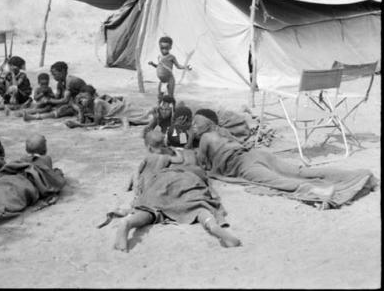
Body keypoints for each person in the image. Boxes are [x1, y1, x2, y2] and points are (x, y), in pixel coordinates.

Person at [192, 110, 378, 209]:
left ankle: (319, 191)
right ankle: (357, 176)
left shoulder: (205, 138)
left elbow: (202, 164)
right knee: (300, 171)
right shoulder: (222, 131)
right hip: (257, 153)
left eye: (195, 124)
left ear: (205, 125)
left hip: (242, 165)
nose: (193, 127)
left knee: (277, 181)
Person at [110, 130, 241, 252]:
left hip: (163, 182)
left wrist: (136, 193)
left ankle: (129, 222)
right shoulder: (190, 154)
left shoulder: (155, 157)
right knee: (199, 206)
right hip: (189, 180)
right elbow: (203, 173)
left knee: (149, 209)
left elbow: (139, 178)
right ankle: (212, 225)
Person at [64, 85, 151, 129]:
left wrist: (77, 125)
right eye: (81, 98)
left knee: (144, 116)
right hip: (117, 111)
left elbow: (96, 123)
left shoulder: (97, 103)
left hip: (121, 111)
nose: (83, 100)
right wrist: (80, 109)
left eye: (85, 97)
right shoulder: (86, 105)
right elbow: (82, 119)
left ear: (93, 97)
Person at [148, 36, 191, 101]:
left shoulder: (171, 57)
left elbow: (178, 66)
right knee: (160, 96)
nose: (164, 50)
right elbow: (159, 67)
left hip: (170, 80)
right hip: (162, 81)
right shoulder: (159, 56)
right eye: (162, 48)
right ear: (159, 47)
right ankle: (160, 108)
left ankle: (172, 108)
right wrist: (153, 64)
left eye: (166, 48)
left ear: (170, 47)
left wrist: (185, 67)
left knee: (170, 97)